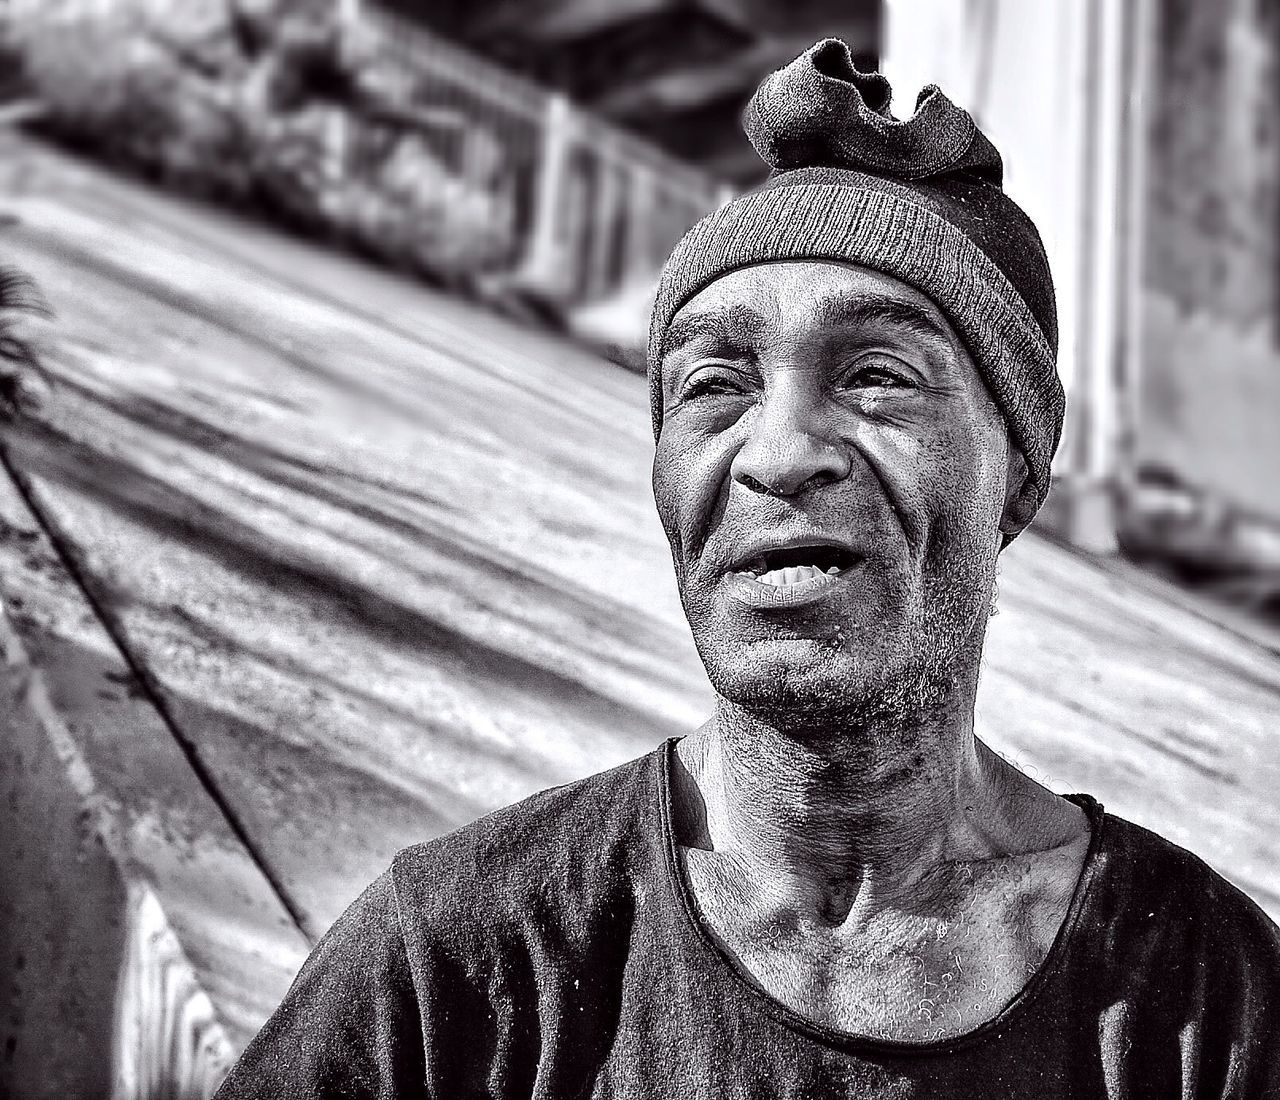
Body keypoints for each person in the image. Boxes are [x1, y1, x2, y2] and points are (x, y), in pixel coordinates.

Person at [215, 39, 1280, 1098]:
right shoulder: (460, 960)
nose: (776, 453)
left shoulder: (1209, 1000)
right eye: (714, 384)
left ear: (1014, 476)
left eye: (877, 375)